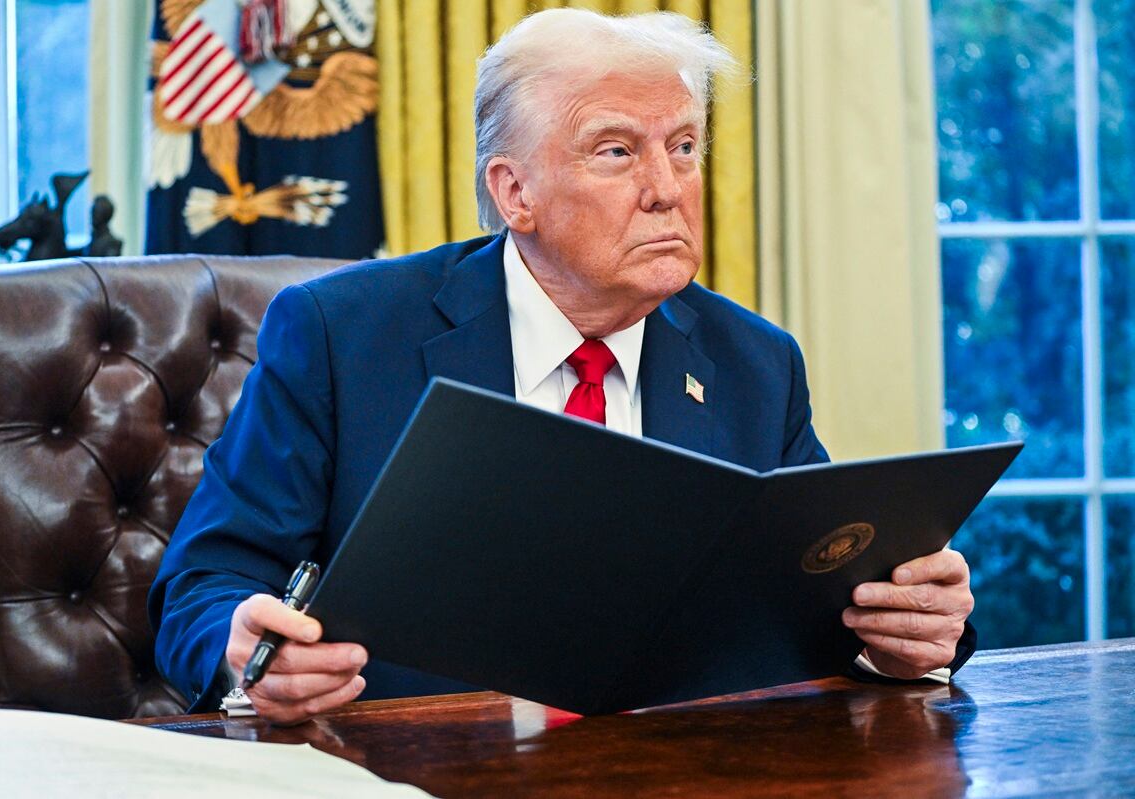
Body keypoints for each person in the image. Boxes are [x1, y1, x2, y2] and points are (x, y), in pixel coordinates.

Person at [150, 8, 977, 725]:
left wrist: (908, 639)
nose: (668, 187)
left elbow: (824, 595)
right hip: (412, 770)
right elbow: (204, 582)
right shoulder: (339, 334)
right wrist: (245, 652)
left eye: (684, 146)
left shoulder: (755, 361)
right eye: (616, 152)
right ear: (516, 194)